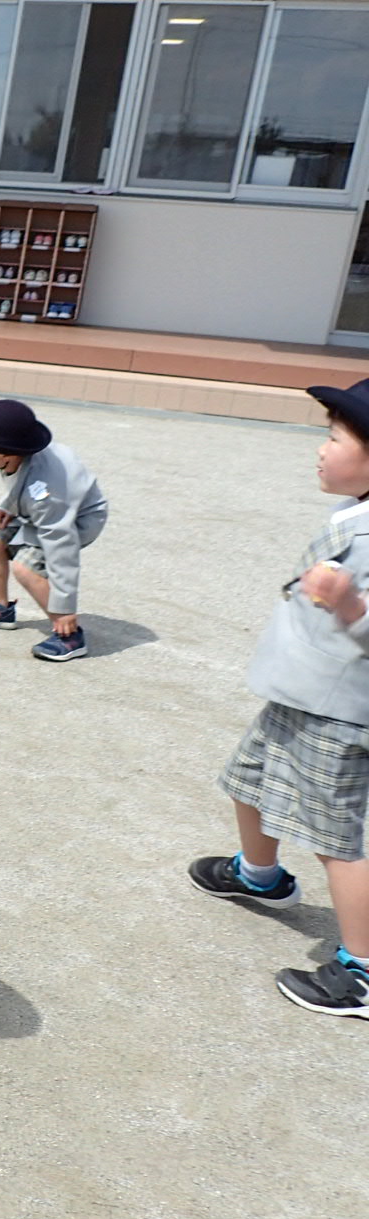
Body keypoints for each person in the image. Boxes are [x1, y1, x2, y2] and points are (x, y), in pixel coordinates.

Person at [190, 377, 369, 1019]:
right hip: (300, 692)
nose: (321, 449)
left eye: (334, 438)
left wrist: (351, 606)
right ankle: (259, 875)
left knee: (335, 836)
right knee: (249, 781)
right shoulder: (357, 512)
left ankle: (363, 969)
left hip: (338, 711)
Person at [0, 399, 108, 661]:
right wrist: (8, 505)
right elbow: (22, 482)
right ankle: (0, 608)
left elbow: (61, 544)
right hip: (42, 511)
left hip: (73, 521)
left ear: (5, 454)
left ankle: (69, 635)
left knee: (26, 568)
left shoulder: (45, 493)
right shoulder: (19, 456)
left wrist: (65, 606)